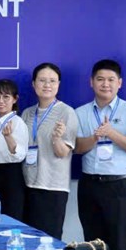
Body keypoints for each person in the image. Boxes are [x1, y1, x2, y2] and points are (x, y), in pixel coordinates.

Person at [73, 60, 126, 250]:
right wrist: (95, 137)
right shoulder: (81, 113)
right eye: (100, 79)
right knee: (92, 245)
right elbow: (77, 148)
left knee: (120, 244)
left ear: (119, 83)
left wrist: (112, 133)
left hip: (119, 186)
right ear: (91, 82)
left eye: (111, 80)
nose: (105, 84)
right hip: (89, 184)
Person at [20, 63, 78, 239]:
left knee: (49, 242)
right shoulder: (27, 113)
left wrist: (56, 138)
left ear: (58, 84)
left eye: (52, 81)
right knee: (27, 240)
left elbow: (63, 153)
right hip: (27, 186)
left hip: (52, 187)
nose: (47, 85)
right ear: (33, 84)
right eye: (42, 80)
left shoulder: (66, 112)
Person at [0, 79, 28, 222]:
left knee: (11, 218)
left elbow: (20, 154)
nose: (1, 101)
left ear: (15, 99)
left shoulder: (17, 122)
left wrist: (8, 137)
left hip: (11, 175)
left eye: (6, 97)